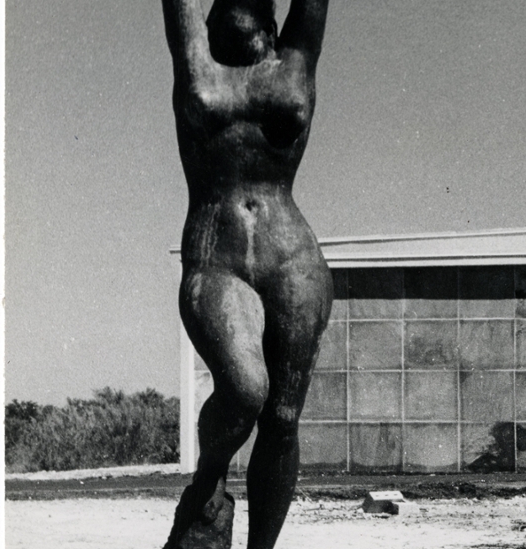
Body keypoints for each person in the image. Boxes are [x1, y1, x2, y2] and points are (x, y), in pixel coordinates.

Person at [160, 0, 331, 547]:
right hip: (217, 258)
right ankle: (206, 487)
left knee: (282, 415)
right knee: (245, 387)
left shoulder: (295, 62)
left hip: (293, 259)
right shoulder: (197, 63)